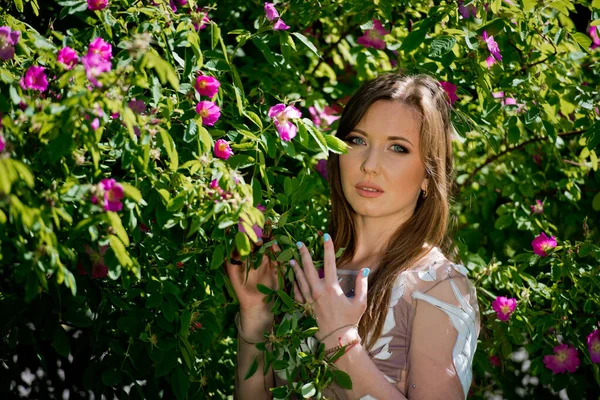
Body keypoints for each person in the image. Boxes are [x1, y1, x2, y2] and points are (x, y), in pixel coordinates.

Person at [226, 73, 481, 400]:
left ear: (429, 178)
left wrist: (341, 337)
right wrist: (257, 314)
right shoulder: (311, 273)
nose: (370, 165)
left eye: (398, 148)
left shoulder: (437, 286)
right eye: (358, 141)